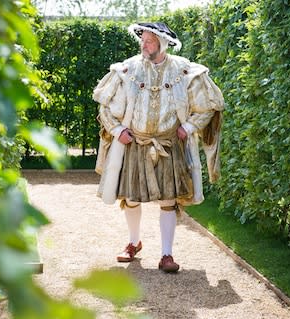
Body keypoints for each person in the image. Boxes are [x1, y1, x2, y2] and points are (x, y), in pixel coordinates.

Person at [93, 22, 224, 273]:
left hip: (169, 144)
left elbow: (208, 106)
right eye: (142, 39)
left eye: (150, 41)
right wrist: (118, 130)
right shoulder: (127, 69)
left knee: (168, 199)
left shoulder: (184, 71)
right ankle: (133, 243)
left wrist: (189, 127)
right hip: (134, 143)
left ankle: (166, 254)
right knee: (131, 198)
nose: (144, 44)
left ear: (162, 44)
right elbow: (105, 106)